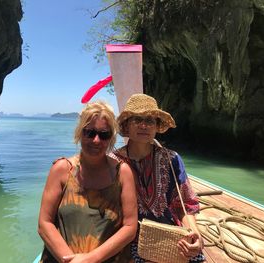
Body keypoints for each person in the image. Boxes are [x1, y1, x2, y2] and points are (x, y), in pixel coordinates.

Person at [38, 101, 138, 263]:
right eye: (89, 133)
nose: (96, 140)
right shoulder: (62, 169)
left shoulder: (122, 172)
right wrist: (71, 261)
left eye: (103, 134)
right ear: (80, 133)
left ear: (111, 137)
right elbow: (44, 223)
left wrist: (90, 259)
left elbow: (129, 227)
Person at [111, 93, 205, 263]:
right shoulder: (112, 162)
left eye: (150, 120)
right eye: (137, 119)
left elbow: (186, 205)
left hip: (171, 240)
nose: (144, 125)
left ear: (156, 126)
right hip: (129, 241)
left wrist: (195, 235)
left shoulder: (172, 159)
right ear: (126, 125)